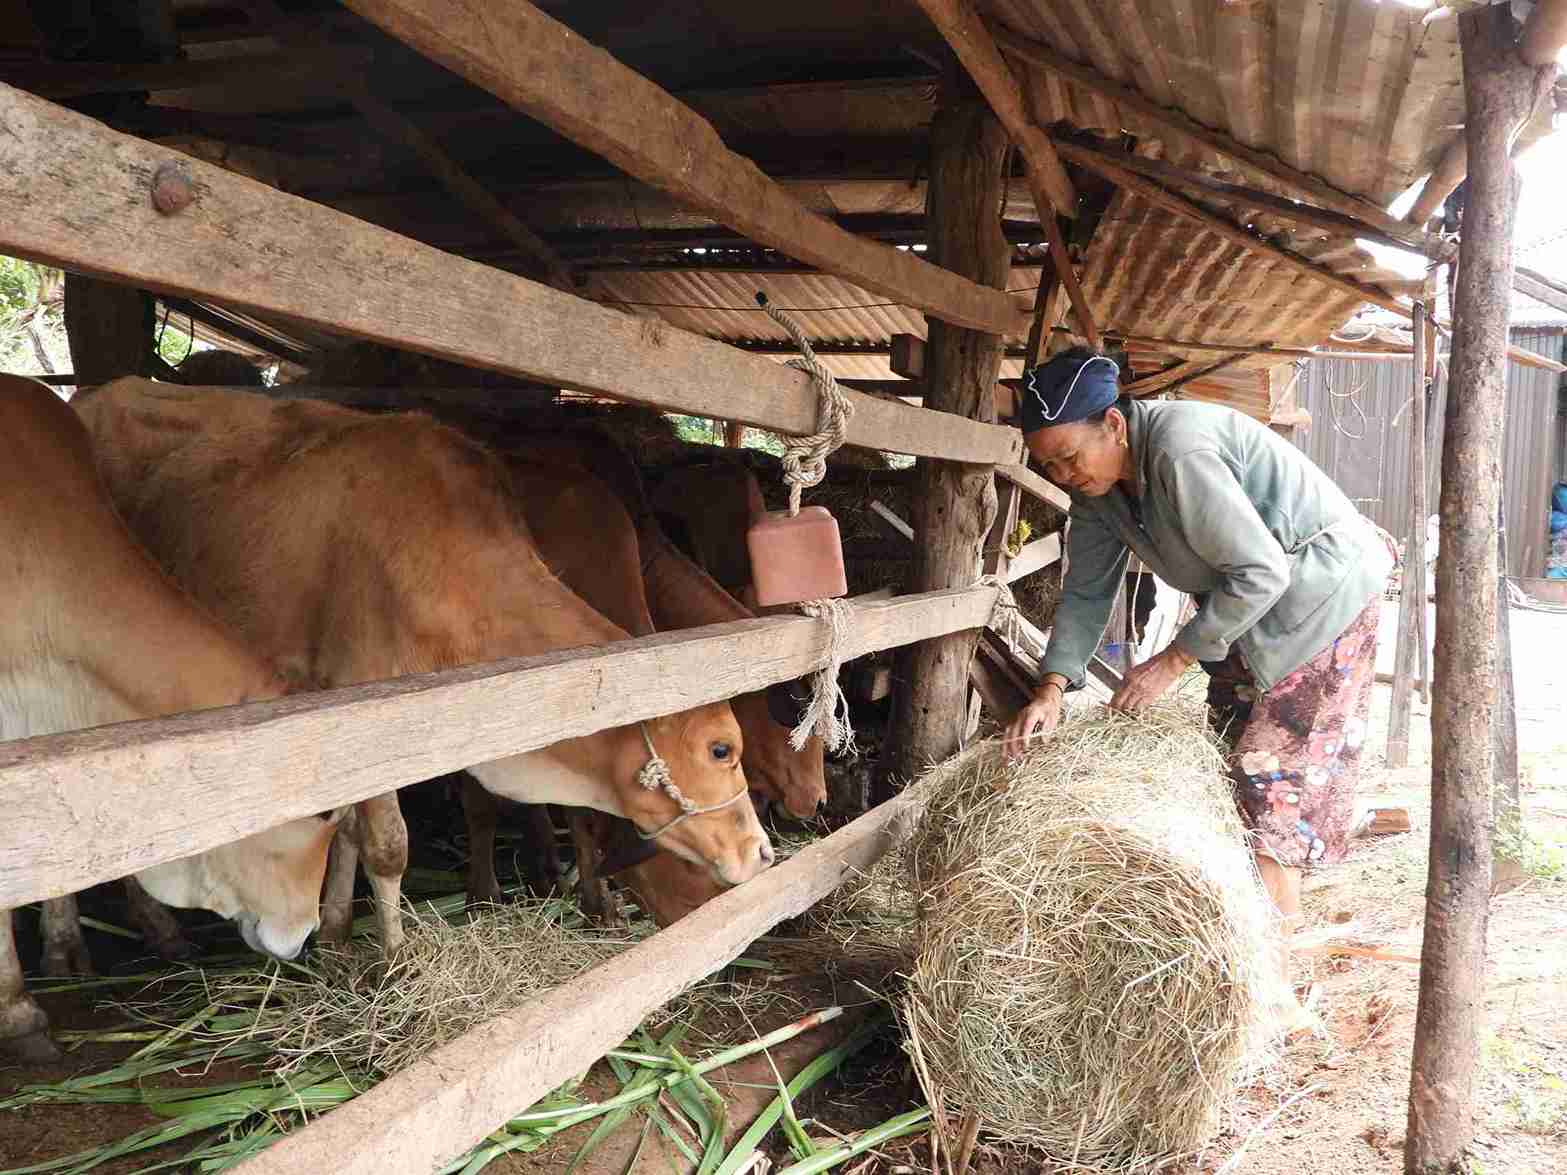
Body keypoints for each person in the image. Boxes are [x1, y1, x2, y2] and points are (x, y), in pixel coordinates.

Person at [1001, 347, 1394, 1015]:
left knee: (1264, 778)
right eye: (1049, 466)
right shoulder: (1099, 492)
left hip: (1318, 598)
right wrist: (1052, 685)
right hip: (1249, 612)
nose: (1064, 473)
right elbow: (1086, 592)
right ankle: (1251, 936)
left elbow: (1261, 571)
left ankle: (1273, 993)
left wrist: (1173, 660)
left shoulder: (1178, 449)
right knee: (1221, 759)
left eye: (1069, 454)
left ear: (1114, 425)